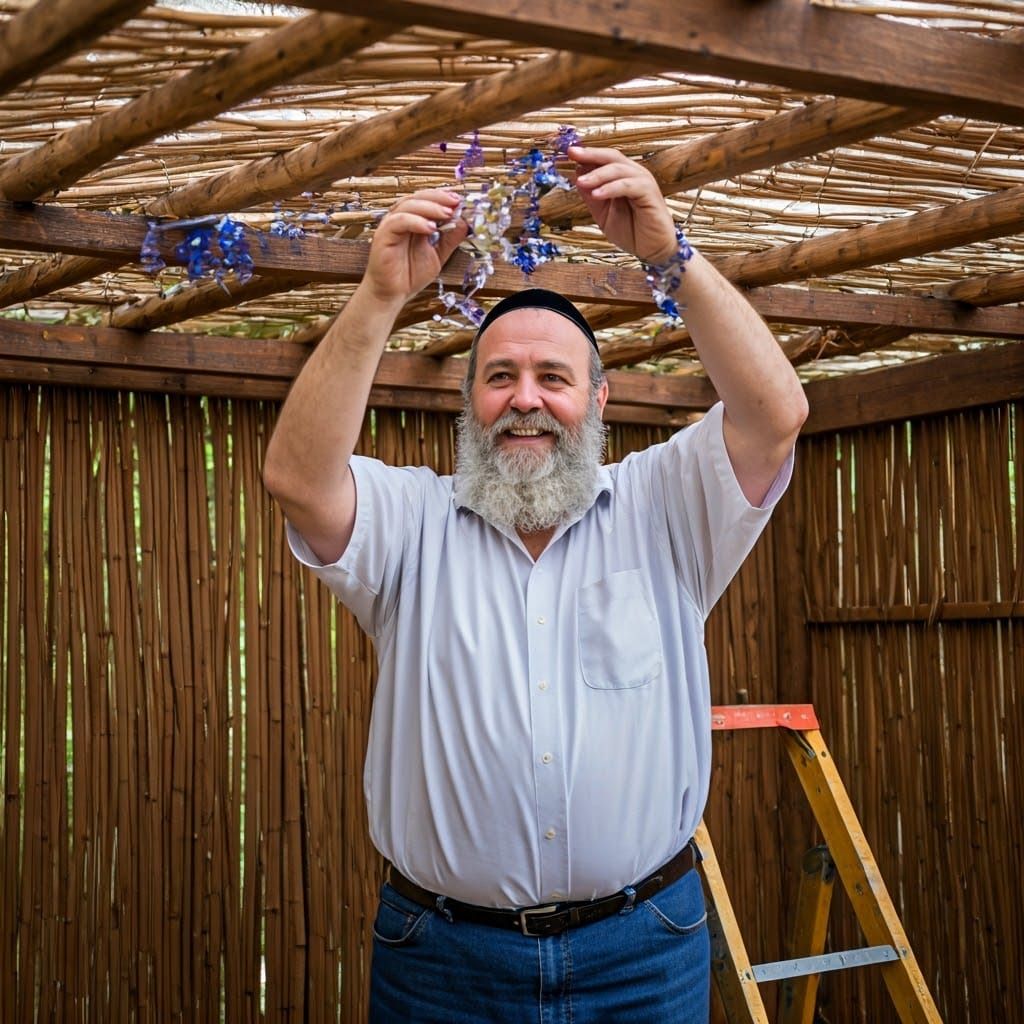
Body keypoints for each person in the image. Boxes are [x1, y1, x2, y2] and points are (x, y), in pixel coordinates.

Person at [262, 146, 808, 1022]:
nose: (526, 399)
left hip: (643, 952)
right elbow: (297, 478)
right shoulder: (411, 522)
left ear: (599, 401)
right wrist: (379, 297)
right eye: (500, 377)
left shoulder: (664, 504)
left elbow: (776, 414)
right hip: (444, 961)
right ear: (469, 403)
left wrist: (668, 255)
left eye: (554, 378)